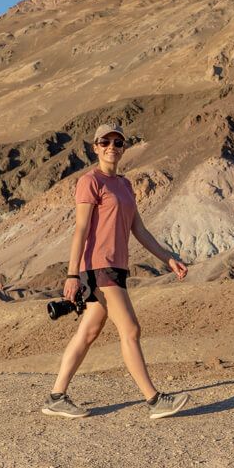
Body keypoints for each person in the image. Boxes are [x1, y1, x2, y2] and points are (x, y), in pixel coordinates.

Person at [42, 122, 191, 419]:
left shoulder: (124, 185)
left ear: (123, 148)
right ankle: (154, 400)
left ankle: (56, 397)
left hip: (116, 266)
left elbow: (140, 229)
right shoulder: (90, 181)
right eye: (105, 142)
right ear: (95, 147)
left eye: (117, 143)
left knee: (89, 331)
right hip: (99, 267)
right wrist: (72, 275)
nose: (112, 147)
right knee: (131, 328)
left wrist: (168, 258)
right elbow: (81, 229)